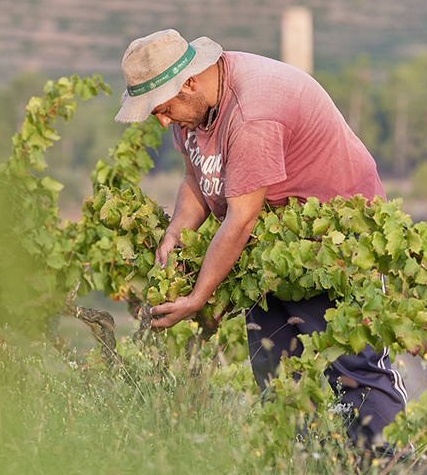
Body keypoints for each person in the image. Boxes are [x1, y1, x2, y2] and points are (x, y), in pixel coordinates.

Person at [114, 29, 407, 450]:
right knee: (275, 372)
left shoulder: (252, 113)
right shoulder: (193, 109)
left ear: (190, 81)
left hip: (339, 245)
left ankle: (389, 462)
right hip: (275, 249)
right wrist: (177, 232)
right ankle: (304, 461)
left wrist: (198, 297)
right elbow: (195, 177)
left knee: (355, 371)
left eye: (162, 109)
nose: (162, 121)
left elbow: (240, 221)